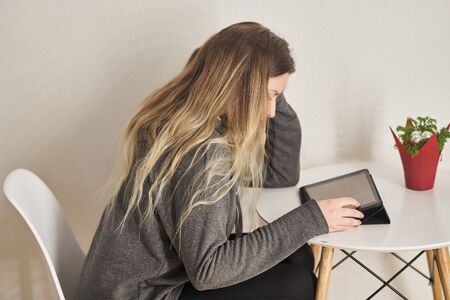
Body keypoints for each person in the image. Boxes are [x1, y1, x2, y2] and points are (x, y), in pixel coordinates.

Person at [77, 21, 364, 300]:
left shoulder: (184, 118)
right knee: (297, 283)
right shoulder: (203, 152)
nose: (272, 112)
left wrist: (271, 85)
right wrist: (312, 219)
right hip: (140, 293)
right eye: (268, 96)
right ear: (236, 86)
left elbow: (280, 173)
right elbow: (208, 271)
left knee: (298, 255)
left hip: (130, 281)